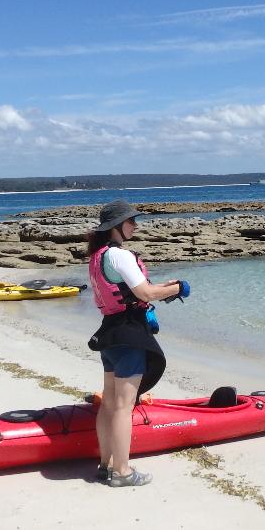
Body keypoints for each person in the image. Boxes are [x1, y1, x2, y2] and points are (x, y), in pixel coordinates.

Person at [86, 199, 187, 488]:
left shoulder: (98, 256)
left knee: (109, 404)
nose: (135, 225)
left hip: (109, 335)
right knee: (123, 406)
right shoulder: (119, 256)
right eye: (131, 221)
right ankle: (123, 472)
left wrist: (160, 291)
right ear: (116, 226)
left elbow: (128, 293)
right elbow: (143, 292)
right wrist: (179, 287)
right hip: (130, 335)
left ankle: (105, 465)